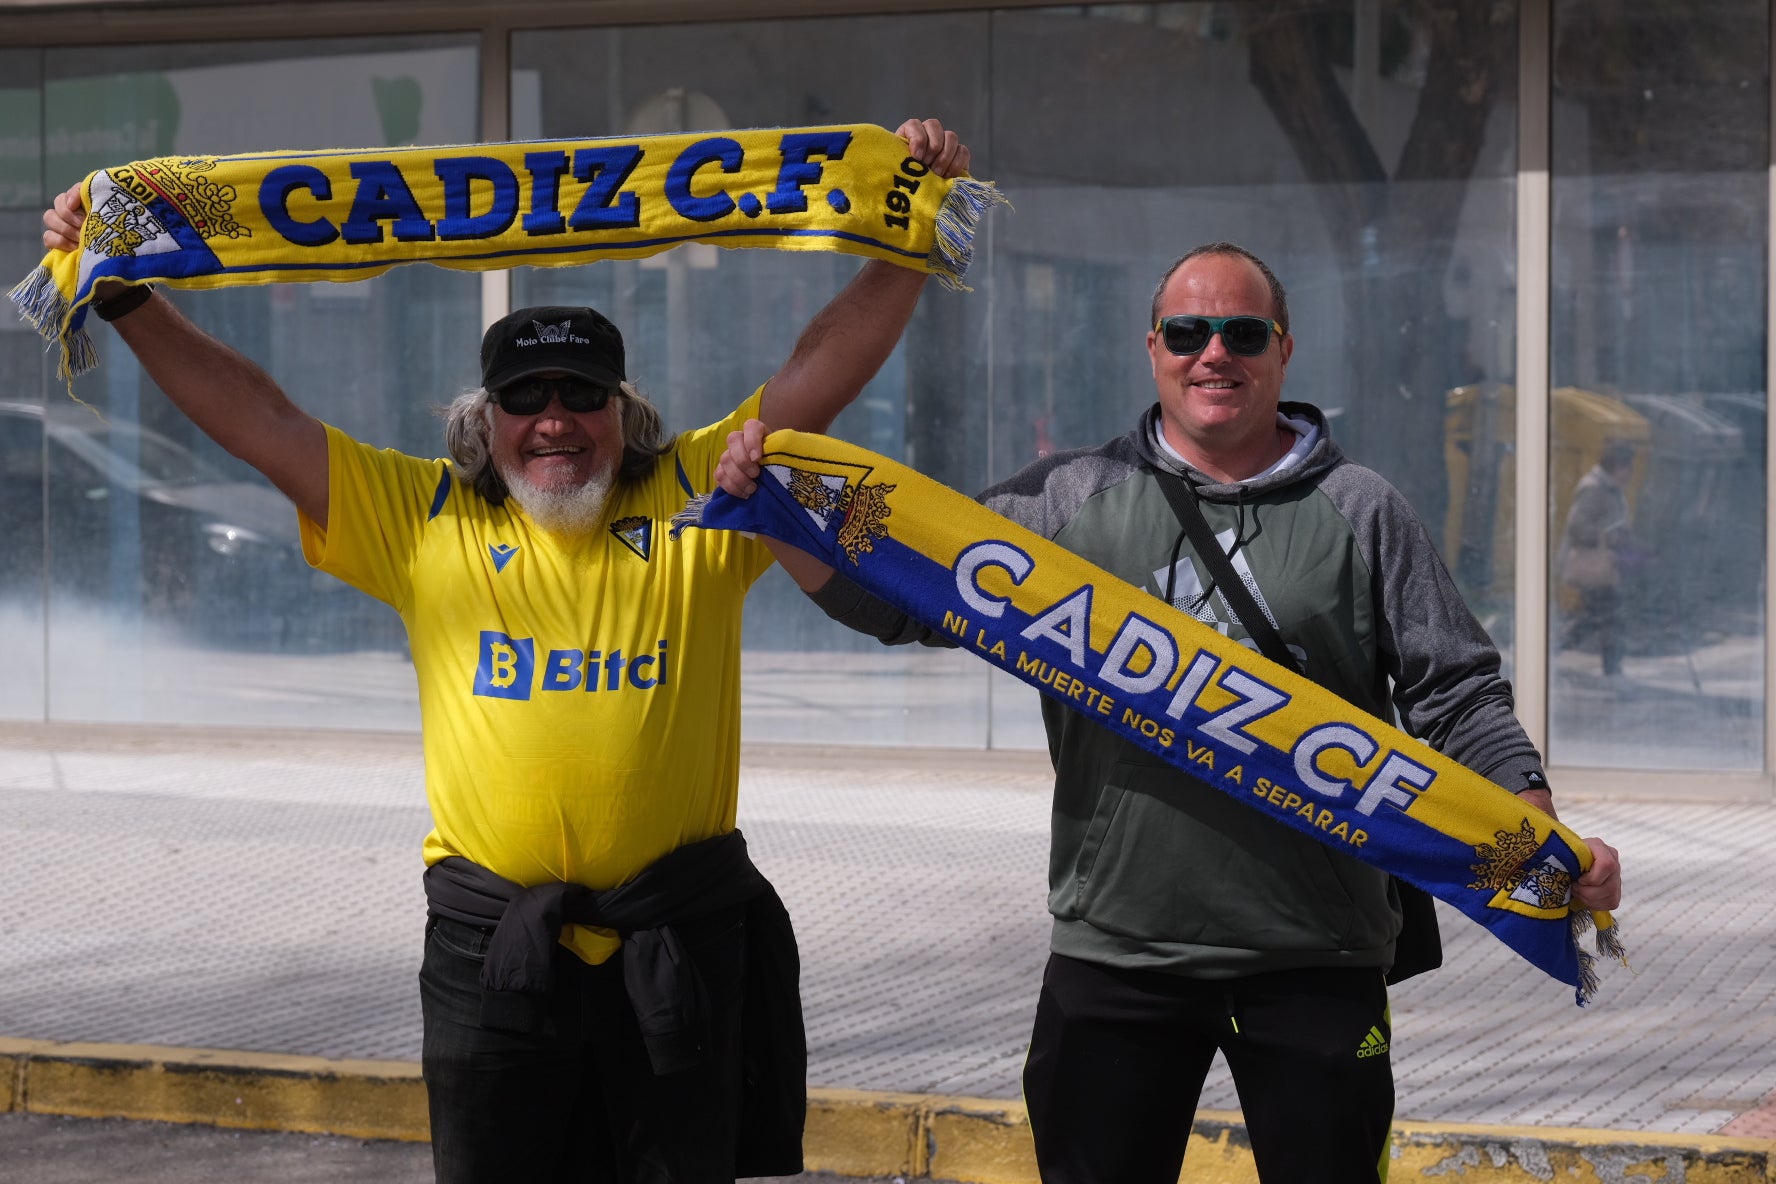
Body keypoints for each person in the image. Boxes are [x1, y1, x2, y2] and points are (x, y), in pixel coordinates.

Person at [40, 117, 972, 1184]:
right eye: (527, 398)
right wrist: (122, 295)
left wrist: (910, 226)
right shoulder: (421, 513)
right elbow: (260, 414)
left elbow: (821, 364)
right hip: (493, 959)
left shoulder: (703, 495)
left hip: (678, 947)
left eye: (584, 395)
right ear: (487, 418)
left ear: (625, 412)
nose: (556, 421)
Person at [716, 242, 1624, 1184]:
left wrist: (1534, 823)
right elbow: (898, 600)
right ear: (1153, 348)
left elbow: (1457, 690)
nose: (1214, 354)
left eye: (1242, 332)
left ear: (1283, 349)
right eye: (1189, 332)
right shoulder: (1066, 500)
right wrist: (774, 513)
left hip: (1318, 954)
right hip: (1117, 952)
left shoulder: (1363, 509)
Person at [1559, 439, 1639, 677]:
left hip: (1603, 565)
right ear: (1616, 466)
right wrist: (1607, 536)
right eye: (1627, 467)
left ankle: (1554, 649)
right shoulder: (1593, 488)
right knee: (1608, 616)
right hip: (1592, 565)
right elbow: (1577, 528)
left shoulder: (1612, 490)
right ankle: (1611, 669)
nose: (1630, 474)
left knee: (1596, 618)